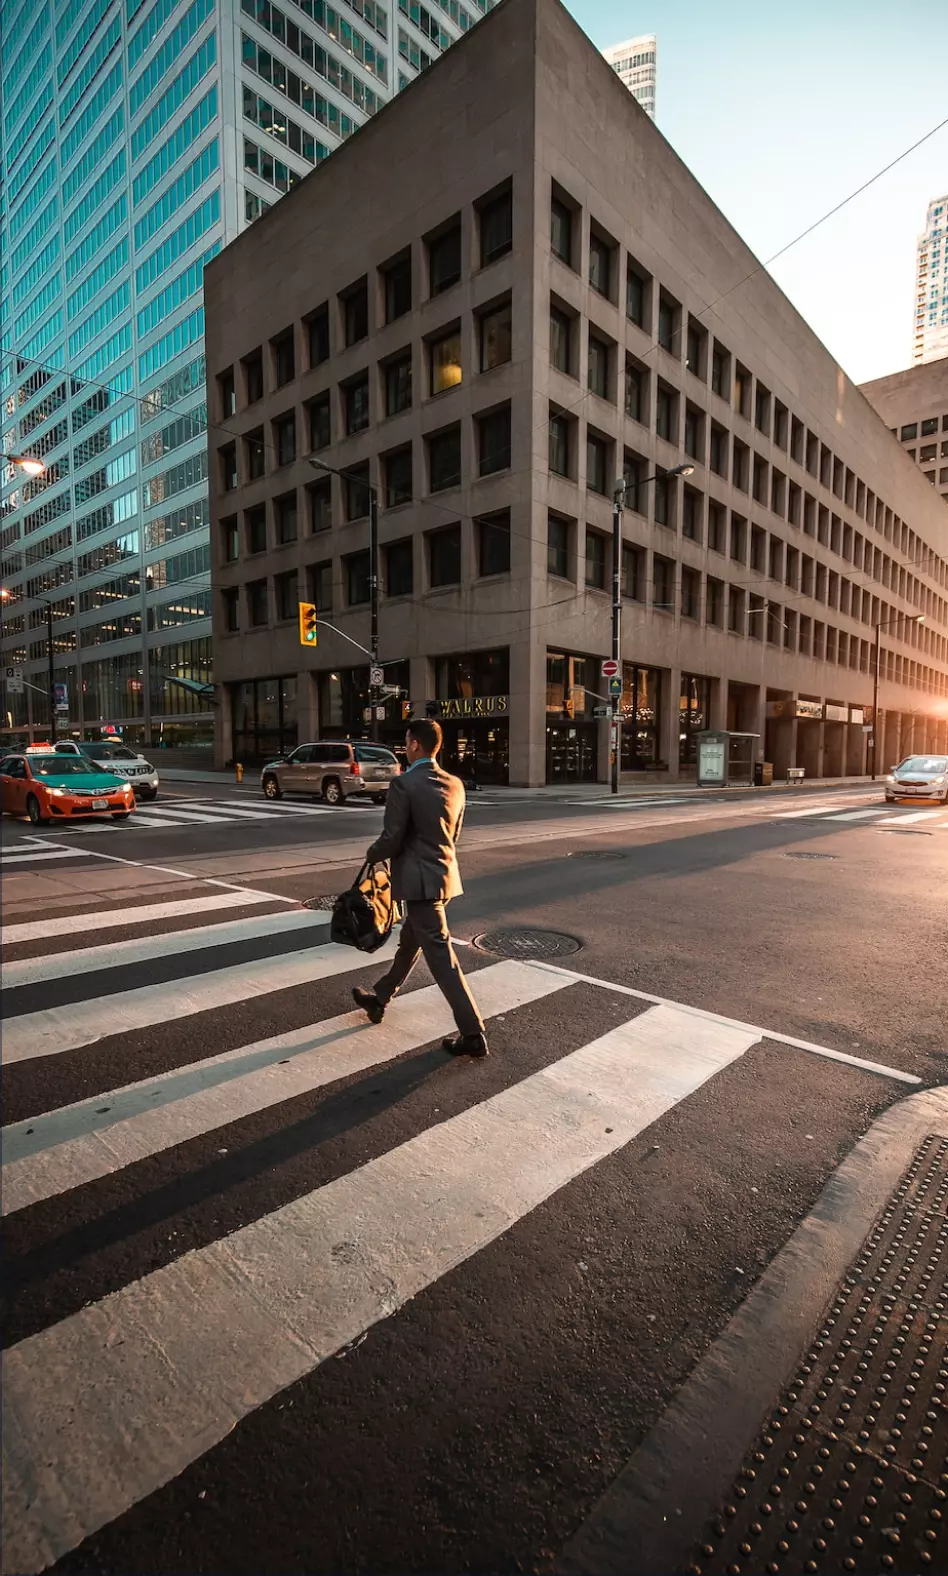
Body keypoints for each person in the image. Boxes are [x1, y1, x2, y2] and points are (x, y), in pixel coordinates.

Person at [351, 717, 488, 1058]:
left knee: (442, 958)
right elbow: (452, 836)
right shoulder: (455, 783)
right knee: (410, 942)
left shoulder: (405, 784)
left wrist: (373, 854)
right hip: (443, 876)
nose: (405, 746)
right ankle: (380, 999)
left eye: (407, 740)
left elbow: (392, 837)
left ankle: (473, 1033)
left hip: (418, 882)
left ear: (414, 744)